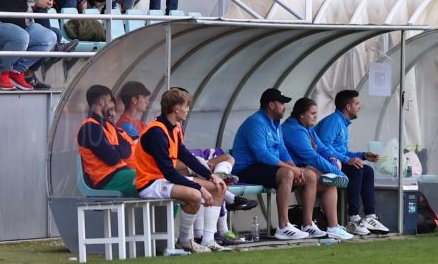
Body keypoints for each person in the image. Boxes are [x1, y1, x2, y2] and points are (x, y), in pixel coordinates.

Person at [131, 85, 232, 254]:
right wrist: (199, 187)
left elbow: (186, 156)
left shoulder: (174, 127)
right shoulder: (156, 132)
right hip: (150, 183)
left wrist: (211, 176)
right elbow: (168, 172)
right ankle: (185, 241)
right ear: (176, 109)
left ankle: (209, 240)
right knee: (194, 195)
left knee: (218, 187)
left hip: (165, 180)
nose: (188, 110)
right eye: (186, 106)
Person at [231, 88, 321, 240]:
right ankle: (283, 226)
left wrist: (295, 168)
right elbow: (262, 155)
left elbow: (282, 150)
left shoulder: (276, 123)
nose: (284, 107)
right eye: (282, 103)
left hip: (265, 167)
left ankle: (308, 224)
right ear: (271, 105)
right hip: (246, 169)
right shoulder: (255, 122)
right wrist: (291, 169)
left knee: (309, 175)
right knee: (287, 173)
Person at [313, 90, 387, 236]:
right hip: (324, 165)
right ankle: (353, 218)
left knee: (367, 170)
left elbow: (342, 151)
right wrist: (348, 160)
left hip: (338, 163)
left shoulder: (342, 123)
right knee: (356, 170)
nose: (359, 107)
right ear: (347, 107)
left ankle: (370, 217)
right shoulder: (334, 121)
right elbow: (324, 148)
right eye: (356, 103)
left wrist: (363, 155)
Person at [282, 99, 357, 240]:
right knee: (328, 180)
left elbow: (322, 148)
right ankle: (311, 224)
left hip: (303, 168)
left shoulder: (307, 127)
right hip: (293, 170)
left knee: (330, 180)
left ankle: (332, 226)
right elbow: (312, 157)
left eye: (316, 113)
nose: (316, 116)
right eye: (312, 113)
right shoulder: (294, 130)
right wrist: (339, 173)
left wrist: (332, 158)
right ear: (301, 115)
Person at [78, 84, 141, 195]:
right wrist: (116, 150)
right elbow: (112, 158)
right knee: (153, 178)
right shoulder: (90, 127)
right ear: (102, 102)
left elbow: (126, 149)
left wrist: (114, 148)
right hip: (107, 180)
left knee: (163, 181)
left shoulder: (107, 126)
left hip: (121, 174)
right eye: (109, 100)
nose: (111, 105)